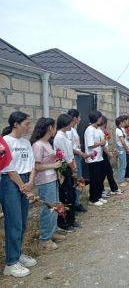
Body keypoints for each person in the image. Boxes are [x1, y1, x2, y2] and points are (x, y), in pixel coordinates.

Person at [1, 112, 37, 278]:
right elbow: (7, 168)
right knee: (14, 222)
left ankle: (18, 254)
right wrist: (24, 186)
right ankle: (11, 263)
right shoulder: (5, 142)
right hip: (10, 182)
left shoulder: (26, 142)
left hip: (24, 181)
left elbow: (32, 164)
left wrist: (29, 183)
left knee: (22, 222)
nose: (29, 126)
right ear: (16, 124)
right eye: (26, 123)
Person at [31, 117, 65, 251]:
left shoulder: (47, 143)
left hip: (52, 178)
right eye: (54, 127)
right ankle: (45, 239)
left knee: (55, 207)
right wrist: (54, 164)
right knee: (48, 209)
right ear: (50, 128)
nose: (55, 129)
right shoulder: (38, 145)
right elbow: (36, 166)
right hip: (44, 181)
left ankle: (53, 232)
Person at [53, 114, 78, 232]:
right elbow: (64, 155)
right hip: (64, 167)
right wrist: (72, 167)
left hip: (69, 165)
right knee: (66, 195)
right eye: (70, 123)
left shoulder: (65, 135)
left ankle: (71, 219)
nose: (72, 125)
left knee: (71, 194)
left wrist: (73, 164)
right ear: (65, 123)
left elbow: (70, 153)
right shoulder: (59, 137)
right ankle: (65, 223)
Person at [66, 109, 89, 213]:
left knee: (79, 180)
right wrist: (81, 153)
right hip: (74, 157)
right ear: (75, 118)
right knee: (77, 180)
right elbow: (70, 147)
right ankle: (76, 203)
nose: (80, 119)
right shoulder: (69, 131)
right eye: (79, 117)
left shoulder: (73, 130)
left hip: (77, 156)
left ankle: (77, 201)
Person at [84, 110, 107, 206]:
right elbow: (90, 145)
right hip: (92, 158)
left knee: (99, 178)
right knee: (94, 179)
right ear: (96, 118)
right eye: (100, 117)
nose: (101, 119)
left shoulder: (95, 129)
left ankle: (98, 196)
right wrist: (101, 143)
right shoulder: (89, 129)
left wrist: (103, 142)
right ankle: (93, 198)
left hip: (99, 157)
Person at [98, 115, 122, 195]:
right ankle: (106, 189)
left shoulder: (102, 131)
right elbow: (103, 145)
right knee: (106, 172)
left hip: (104, 152)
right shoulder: (99, 131)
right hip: (102, 153)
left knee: (107, 172)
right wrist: (109, 153)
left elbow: (106, 140)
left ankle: (111, 188)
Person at [115, 116, 129, 188]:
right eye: (123, 122)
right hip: (121, 148)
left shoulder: (120, 129)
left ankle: (121, 179)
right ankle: (120, 181)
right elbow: (122, 142)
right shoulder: (118, 130)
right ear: (120, 123)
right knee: (123, 164)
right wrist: (127, 149)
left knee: (123, 164)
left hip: (122, 148)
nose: (124, 123)